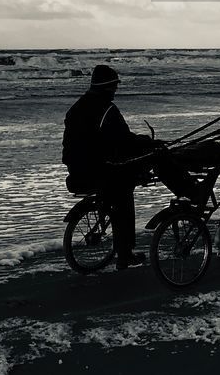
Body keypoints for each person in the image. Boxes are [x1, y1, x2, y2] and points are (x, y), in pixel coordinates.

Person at [63, 64, 207, 269]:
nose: (116, 90)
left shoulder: (76, 108)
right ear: (108, 86)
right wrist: (150, 143)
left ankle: (124, 251)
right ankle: (192, 192)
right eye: (114, 86)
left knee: (127, 186)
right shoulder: (106, 109)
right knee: (157, 159)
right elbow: (124, 141)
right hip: (103, 170)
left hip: (78, 171)